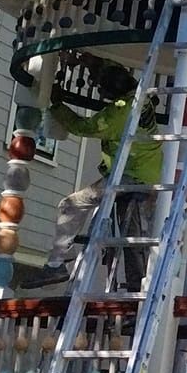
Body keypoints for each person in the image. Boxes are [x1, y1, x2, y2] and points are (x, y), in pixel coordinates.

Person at [43, 71, 164, 286]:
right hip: (148, 175)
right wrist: (97, 65)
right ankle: (137, 284)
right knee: (131, 234)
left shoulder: (118, 112)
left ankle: (55, 264)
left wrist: (58, 104)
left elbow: (84, 127)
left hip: (129, 175)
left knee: (71, 205)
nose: (100, 93)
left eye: (102, 89)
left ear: (113, 90)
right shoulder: (140, 97)